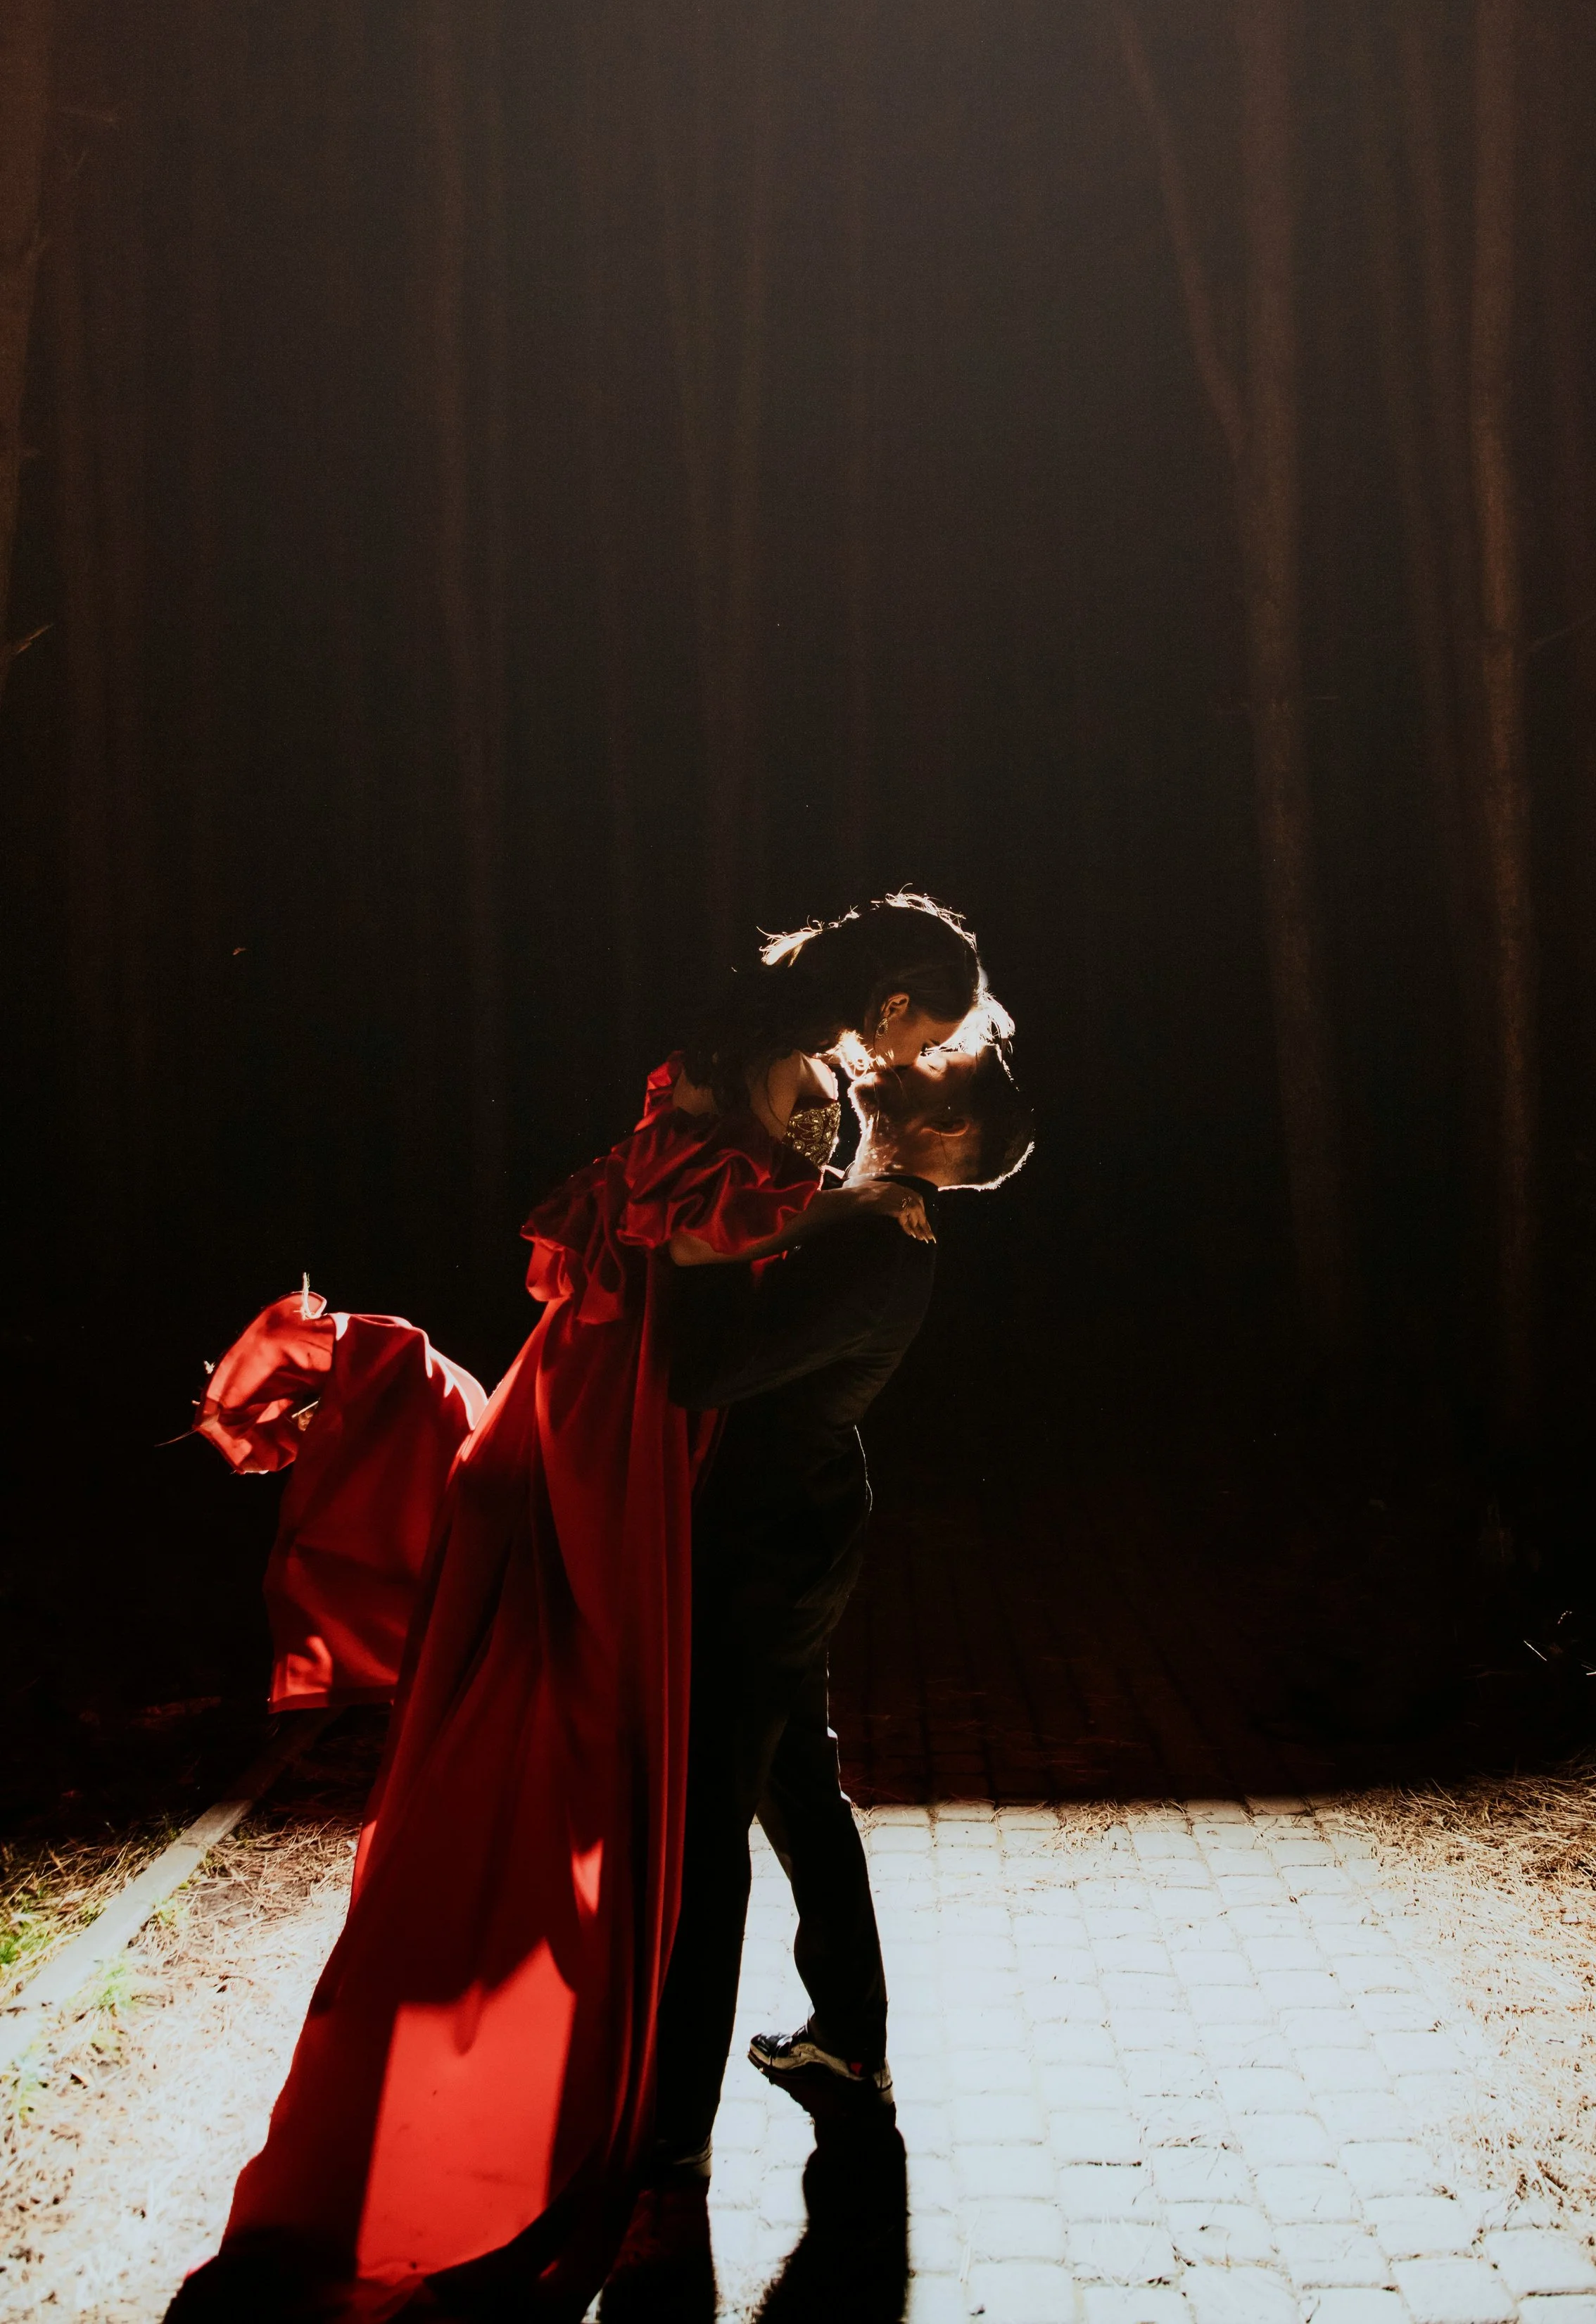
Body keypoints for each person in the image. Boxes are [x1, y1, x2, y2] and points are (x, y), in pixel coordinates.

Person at [168, 895, 1007, 2323]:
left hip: (669, 1426)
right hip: (643, 1418)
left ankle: (720, 2100)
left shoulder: (790, 1083)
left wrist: (780, 1217)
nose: (917, 1058)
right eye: (927, 1028)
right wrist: (765, 1220)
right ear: (889, 1001)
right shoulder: (780, 1079)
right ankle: (674, 2141)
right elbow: (687, 1275)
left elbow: (709, 1264)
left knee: (747, 1771)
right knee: (725, 1771)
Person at [600, 1042, 1036, 2321]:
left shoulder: (887, 1244)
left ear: (947, 1128)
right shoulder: (864, 1210)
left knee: (712, 1831)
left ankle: (671, 2138)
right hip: (780, 1535)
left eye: (932, 1064)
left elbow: (703, 1371)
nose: (898, 1061)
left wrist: (689, 1248)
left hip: (769, 1552)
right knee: (798, 1789)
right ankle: (849, 2042)